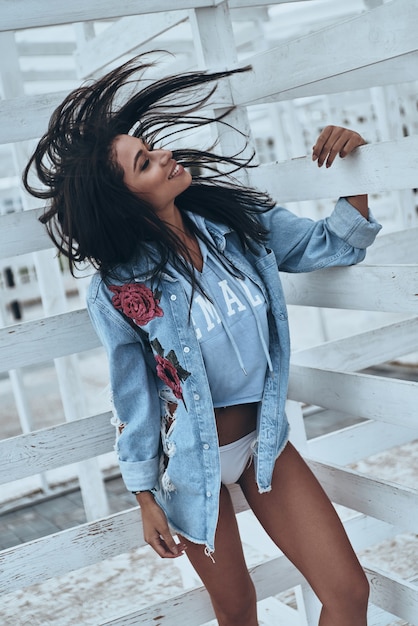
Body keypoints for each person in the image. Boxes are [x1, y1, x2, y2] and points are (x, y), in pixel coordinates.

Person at [23, 55, 381, 626]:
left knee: (348, 592)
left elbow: (330, 246)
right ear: (125, 200)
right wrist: (143, 496)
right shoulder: (118, 289)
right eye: (145, 162)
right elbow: (133, 394)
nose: (164, 155)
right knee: (237, 611)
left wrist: (358, 170)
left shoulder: (236, 227)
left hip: (263, 442)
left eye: (151, 147)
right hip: (189, 466)